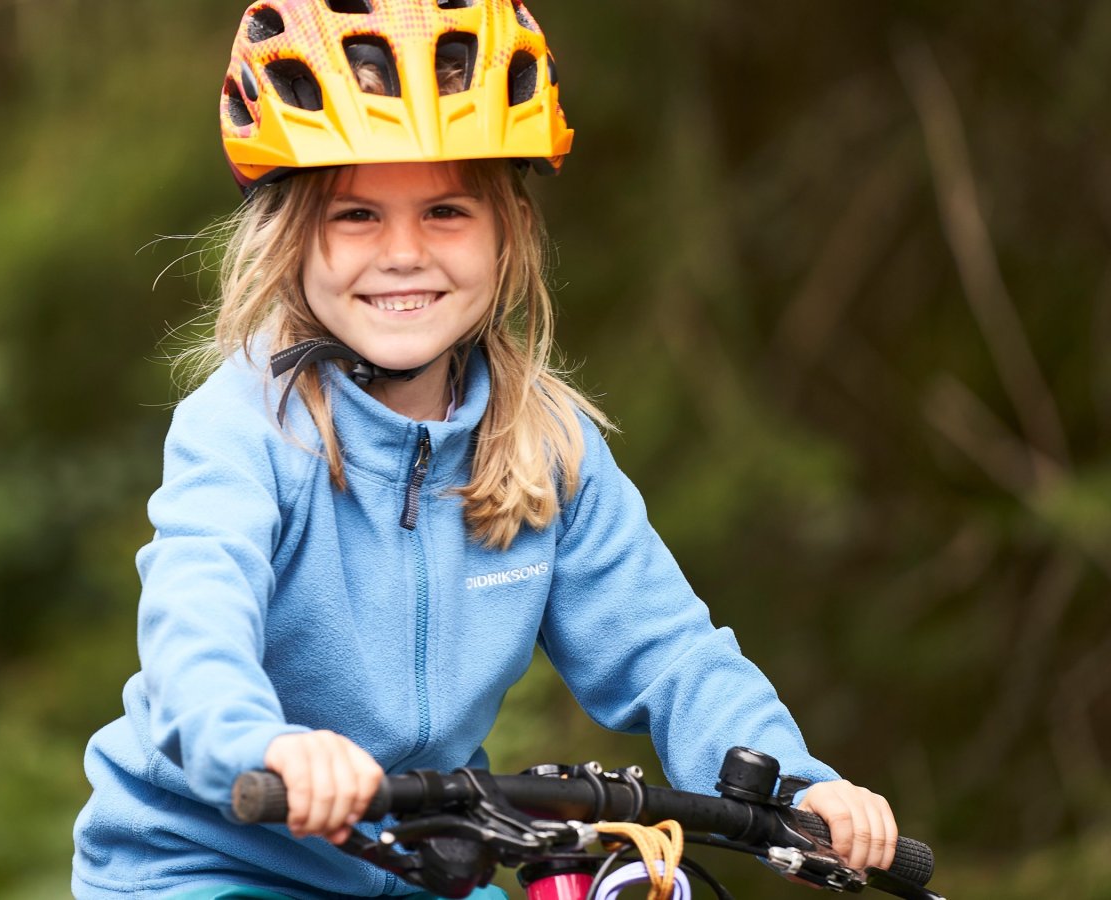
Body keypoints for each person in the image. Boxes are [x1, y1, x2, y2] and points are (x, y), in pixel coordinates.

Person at [72, 1, 898, 897]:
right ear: (290, 236)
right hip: (209, 862)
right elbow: (196, 629)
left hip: (420, 866)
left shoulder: (547, 445)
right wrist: (262, 745)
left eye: (445, 211)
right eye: (356, 214)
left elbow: (668, 654)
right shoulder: (244, 428)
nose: (403, 253)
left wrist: (798, 788)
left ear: (509, 231)